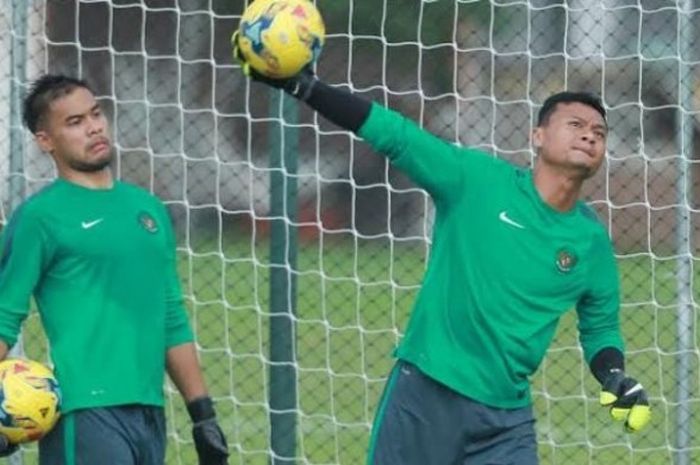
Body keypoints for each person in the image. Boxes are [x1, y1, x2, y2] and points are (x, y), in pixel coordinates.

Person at [233, 34, 652, 465]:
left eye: (599, 132)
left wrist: (613, 375)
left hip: (505, 420)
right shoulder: (476, 180)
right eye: (576, 125)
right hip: (425, 395)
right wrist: (307, 88)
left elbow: (600, 327)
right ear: (538, 136)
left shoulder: (591, 241)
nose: (589, 136)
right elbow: (396, 135)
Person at [0, 74, 229, 465]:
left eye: (95, 113)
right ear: (45, 141)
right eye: (74, 122)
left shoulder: (149, 210)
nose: (93, 127)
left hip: (149, 414)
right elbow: (4, 317)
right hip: (84, 415)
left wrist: (202, 413)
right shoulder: (39, 218)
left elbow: (171, 316)